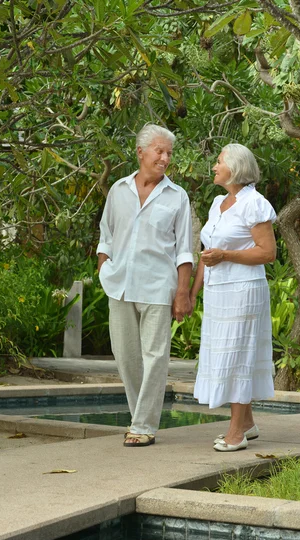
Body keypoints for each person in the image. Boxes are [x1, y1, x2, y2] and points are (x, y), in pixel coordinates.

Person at [97, 124, 193, 447]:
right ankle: (141, 417)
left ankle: (143, 425)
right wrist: (103, 267)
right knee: (124, 356)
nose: (165, 158)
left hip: (158, 287)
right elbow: (105, 236)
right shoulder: (117, 190)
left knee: (156, 357)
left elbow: (184, 251)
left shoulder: (178, 197)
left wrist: (183, 292)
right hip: (120, 284)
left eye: (168, 153)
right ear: (141, 152)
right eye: (159, 151)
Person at [190, 143, 276, 452]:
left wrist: (226, 255)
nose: (214, 166)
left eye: (218, 161)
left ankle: (236, 432)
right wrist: (192, 293)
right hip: (218, 294)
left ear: (235, 168)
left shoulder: (254, 203)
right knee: (228, 354)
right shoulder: (218, 203)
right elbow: (206, 254)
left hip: (243, 292)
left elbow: (268, 253)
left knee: (239, 356)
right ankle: (248, 423)